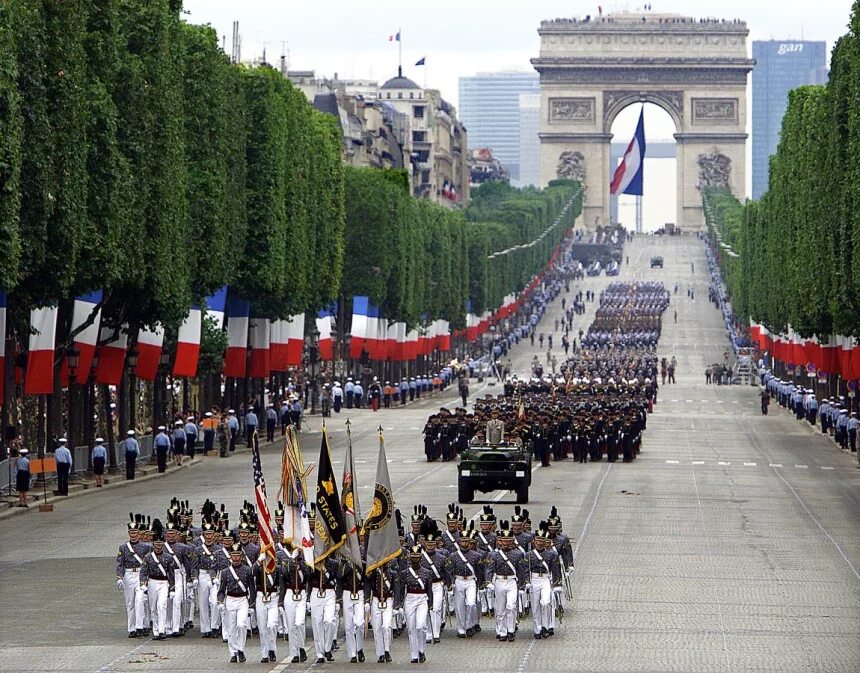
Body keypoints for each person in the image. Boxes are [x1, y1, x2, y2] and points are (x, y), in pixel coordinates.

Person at [217, 543, 256, 663]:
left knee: (242, 625)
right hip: (230, 600)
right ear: (230, 557)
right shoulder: (225, 572)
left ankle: (241, 649)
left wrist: (251, 605)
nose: (235, 558)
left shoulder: (248, 570)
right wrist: (220, 601)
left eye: (238, 555)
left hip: (243, 600)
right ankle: (233, 652)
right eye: (233, 555)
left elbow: (252, 589)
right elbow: (222, 590)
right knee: (231, 628)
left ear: (241, 557)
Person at [139, 520, 177, 640]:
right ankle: (155, 630)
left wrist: (172, 588)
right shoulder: (148, 557)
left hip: (164, 583)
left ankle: (162, 630)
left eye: (161, 545)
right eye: (157, 545)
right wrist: (143, 584)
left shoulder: (168, 558)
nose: (159, 547)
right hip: (152, 582)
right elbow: (143, 572)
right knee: (153, 607)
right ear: (153, 545)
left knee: (162, 605)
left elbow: (171, 575)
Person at [402, 545, 433, 664]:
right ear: (410, 558)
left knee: (421, 626)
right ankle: (414, 654)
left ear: (420, 558)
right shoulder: (405, 573)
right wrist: (399, 605)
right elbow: (401, 590)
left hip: (422, 599)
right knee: (411, 628)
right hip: (410, 599)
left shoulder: (427, 572)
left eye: (417, 557)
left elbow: (429, 589)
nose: (415, 559)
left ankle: (421, 650)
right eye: (413, 557)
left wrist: (430, 604)